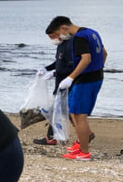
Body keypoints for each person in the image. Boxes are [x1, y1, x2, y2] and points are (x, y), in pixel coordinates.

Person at [45, 16, 106, 160]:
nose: (59, 38)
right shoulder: (92, 32)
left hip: (84, 80)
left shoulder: (78, 38)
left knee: (79, 115)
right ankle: (81, 142)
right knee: (73, 111)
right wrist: (98, 69)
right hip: (97, 77)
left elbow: (86, 59)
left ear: (63, 28)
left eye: (58, 34)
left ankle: (84, 152)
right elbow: (104, 53)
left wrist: (71, 77)